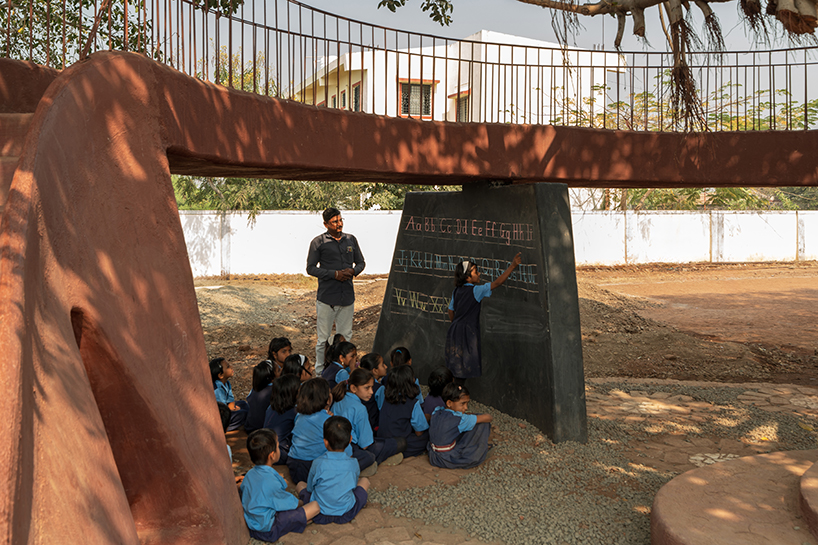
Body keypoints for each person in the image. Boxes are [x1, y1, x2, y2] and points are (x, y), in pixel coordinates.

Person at [445, 253, 522, 386]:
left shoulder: (456, 291)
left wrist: (456, 323)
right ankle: (456, 393)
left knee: (456, 363)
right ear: (468, 277)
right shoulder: (476, 291)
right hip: (468, 332)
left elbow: (450, 310)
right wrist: (512, 266)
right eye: (476, 272)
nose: (479, 274)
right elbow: (497, 282)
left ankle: (453, 392)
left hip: (455, 329)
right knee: (465, 364)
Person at [306, 207, 365, 370]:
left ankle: (346, 371)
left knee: (346, 338)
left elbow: (361, 263)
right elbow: (310, 268)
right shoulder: (318, 242)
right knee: (323, 339)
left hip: (347, 298)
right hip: (327, 299)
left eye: (340, 220)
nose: (339, 224)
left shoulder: (351, 240)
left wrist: (353, 271)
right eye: (334, 222)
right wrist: (334, 274)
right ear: (326, 224)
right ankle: (320, 372)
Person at [240, 429, 319, 542]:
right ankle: (299, 521)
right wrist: (301, 502)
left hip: (255, 522)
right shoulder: (270, 482)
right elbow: (291, 503)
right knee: (315, 506)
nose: (279, 449)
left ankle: (299, 519)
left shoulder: (249, 474)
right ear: (272, 455)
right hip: (268, 528)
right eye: (278, 446)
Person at [297, 416, 370, 525]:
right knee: (365, 481)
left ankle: (307, 512)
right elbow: (353, 486)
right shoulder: (353, 463)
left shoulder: (318, 463)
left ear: (325, 442)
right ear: (350, 440)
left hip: (318, 512)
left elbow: (310, 488)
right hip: (346, 513)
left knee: (300, 484)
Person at [331, 368, 405, 476]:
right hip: (352, 447)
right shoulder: (360, 408)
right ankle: (362, 466)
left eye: (372, 387)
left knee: (380, 444)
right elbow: (365, 444)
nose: (371, 391)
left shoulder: (339, 398)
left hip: (336, 445)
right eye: (367, 388)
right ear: (353, 388)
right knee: (400, 443)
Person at [287, 377, 352, 484]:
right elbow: (347, 452)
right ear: (328, 400)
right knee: (364, 457)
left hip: (295, 466)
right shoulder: (328, 421)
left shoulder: (299, 416)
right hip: (314, 468)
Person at [428, 383, 492, 469]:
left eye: (467, 403)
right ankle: (480, 449)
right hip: (446, 459)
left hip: (433, 456)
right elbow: (488, 418)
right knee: (482, 423)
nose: (466, 408)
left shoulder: (437, 411)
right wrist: (484, 416)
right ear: (449, 403)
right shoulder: (460, 420)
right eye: (463, 404)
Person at [377, 365, 430, 457]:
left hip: (383, 440)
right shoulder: (413, 403)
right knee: (427, 436)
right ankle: (399, 453)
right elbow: (419, 432)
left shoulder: (385, 398)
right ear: (410, 382)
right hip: (402, 442)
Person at [263, 374, 300, 465]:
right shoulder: (294, 412)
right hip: (279, 453)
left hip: (265, 450)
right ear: (293, 394)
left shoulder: (271, 407)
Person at [210, 357, 248, 431]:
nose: (231, 367)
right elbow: (222, 410)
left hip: (226, 409)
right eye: (228, 367)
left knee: (243, 404)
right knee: (243, 414)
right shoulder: (217, 389)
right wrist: (234, 411)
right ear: (220, 375)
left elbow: (230, 400)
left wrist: (233, 408)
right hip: (220, 415)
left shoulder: (227, 383)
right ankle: (224, 428)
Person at [358, 352, 387, 431]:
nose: (386, 367)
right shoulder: (379, 389)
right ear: (375, 371)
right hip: (373, 427)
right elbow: (384, 410)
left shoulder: (358, 383)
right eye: (382, 364)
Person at [245, 360, 275, 433]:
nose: (281, 371)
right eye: (279, 370)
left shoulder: (255, 388)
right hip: (263, 430)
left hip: (250, 427)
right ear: (271, 378)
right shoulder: (274, 390)